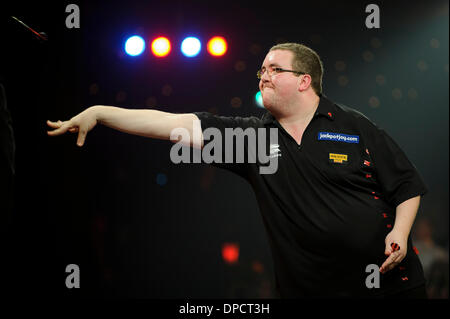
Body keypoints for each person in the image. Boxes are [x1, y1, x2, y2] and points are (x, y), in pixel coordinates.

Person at [47, 43, 428, 298]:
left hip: (391, 286)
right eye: (260, 69)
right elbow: (170, 123)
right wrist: (100, 113)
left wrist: (399, 230)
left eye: (274, 69)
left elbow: (406, 183)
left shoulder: (352, 124)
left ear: (304, 81)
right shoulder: (252, 141)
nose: (263, 75)